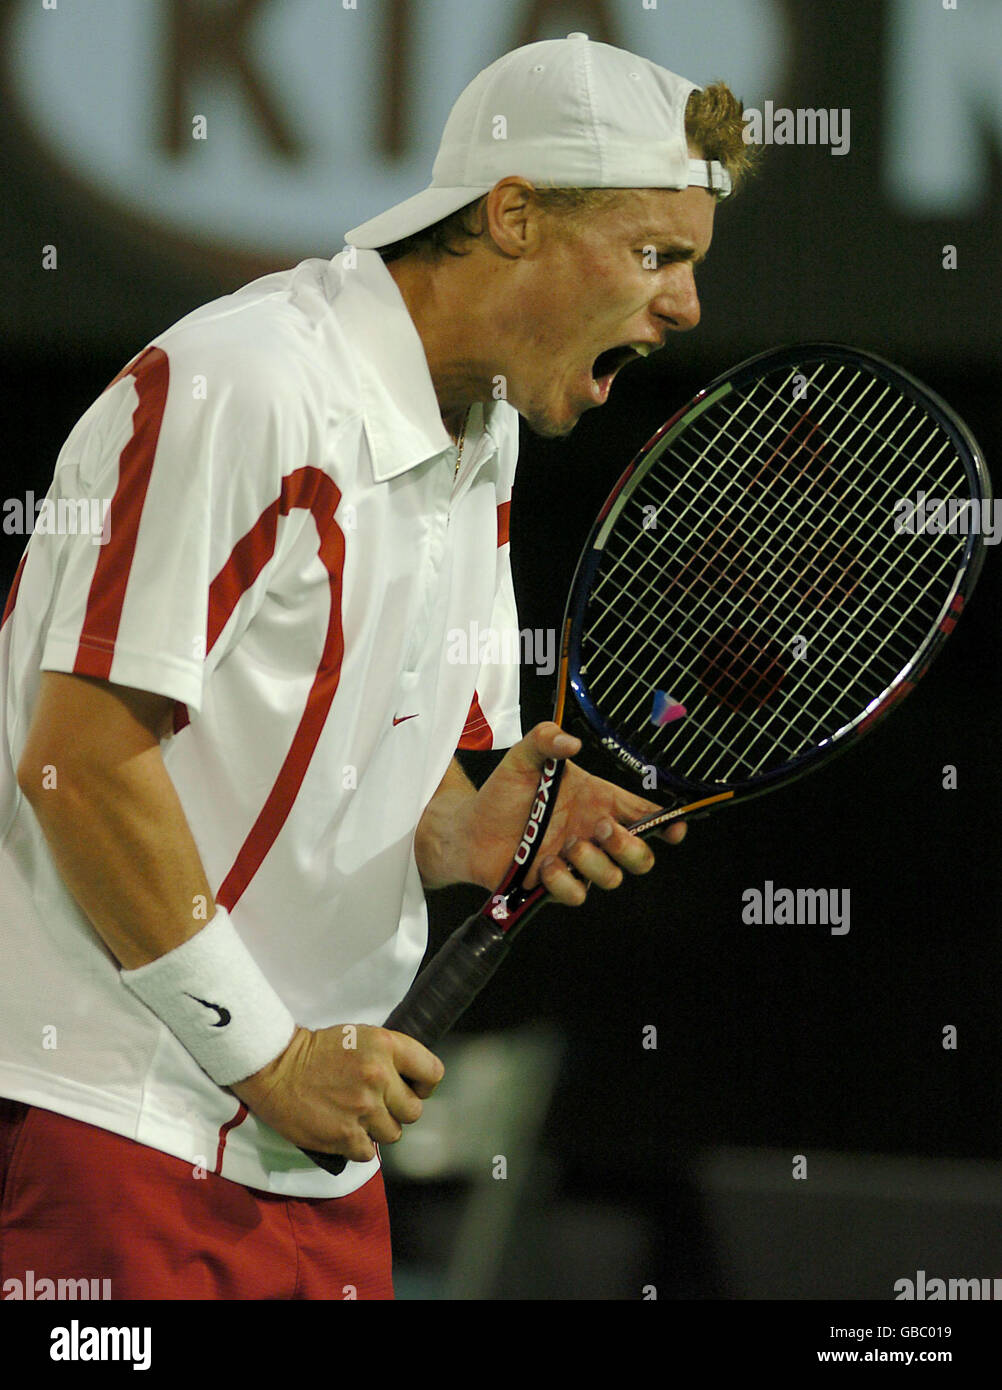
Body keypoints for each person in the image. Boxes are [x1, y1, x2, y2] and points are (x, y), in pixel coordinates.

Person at [0, 34, 751, 1300]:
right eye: (653, 253)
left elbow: (350, 767)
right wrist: (271, 1057)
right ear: (513, 215)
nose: (685, 305)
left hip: (305, 1164)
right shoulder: (244, 387)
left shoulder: (485, 430)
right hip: (113, 1132)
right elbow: (78, 759)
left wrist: (463, 829)